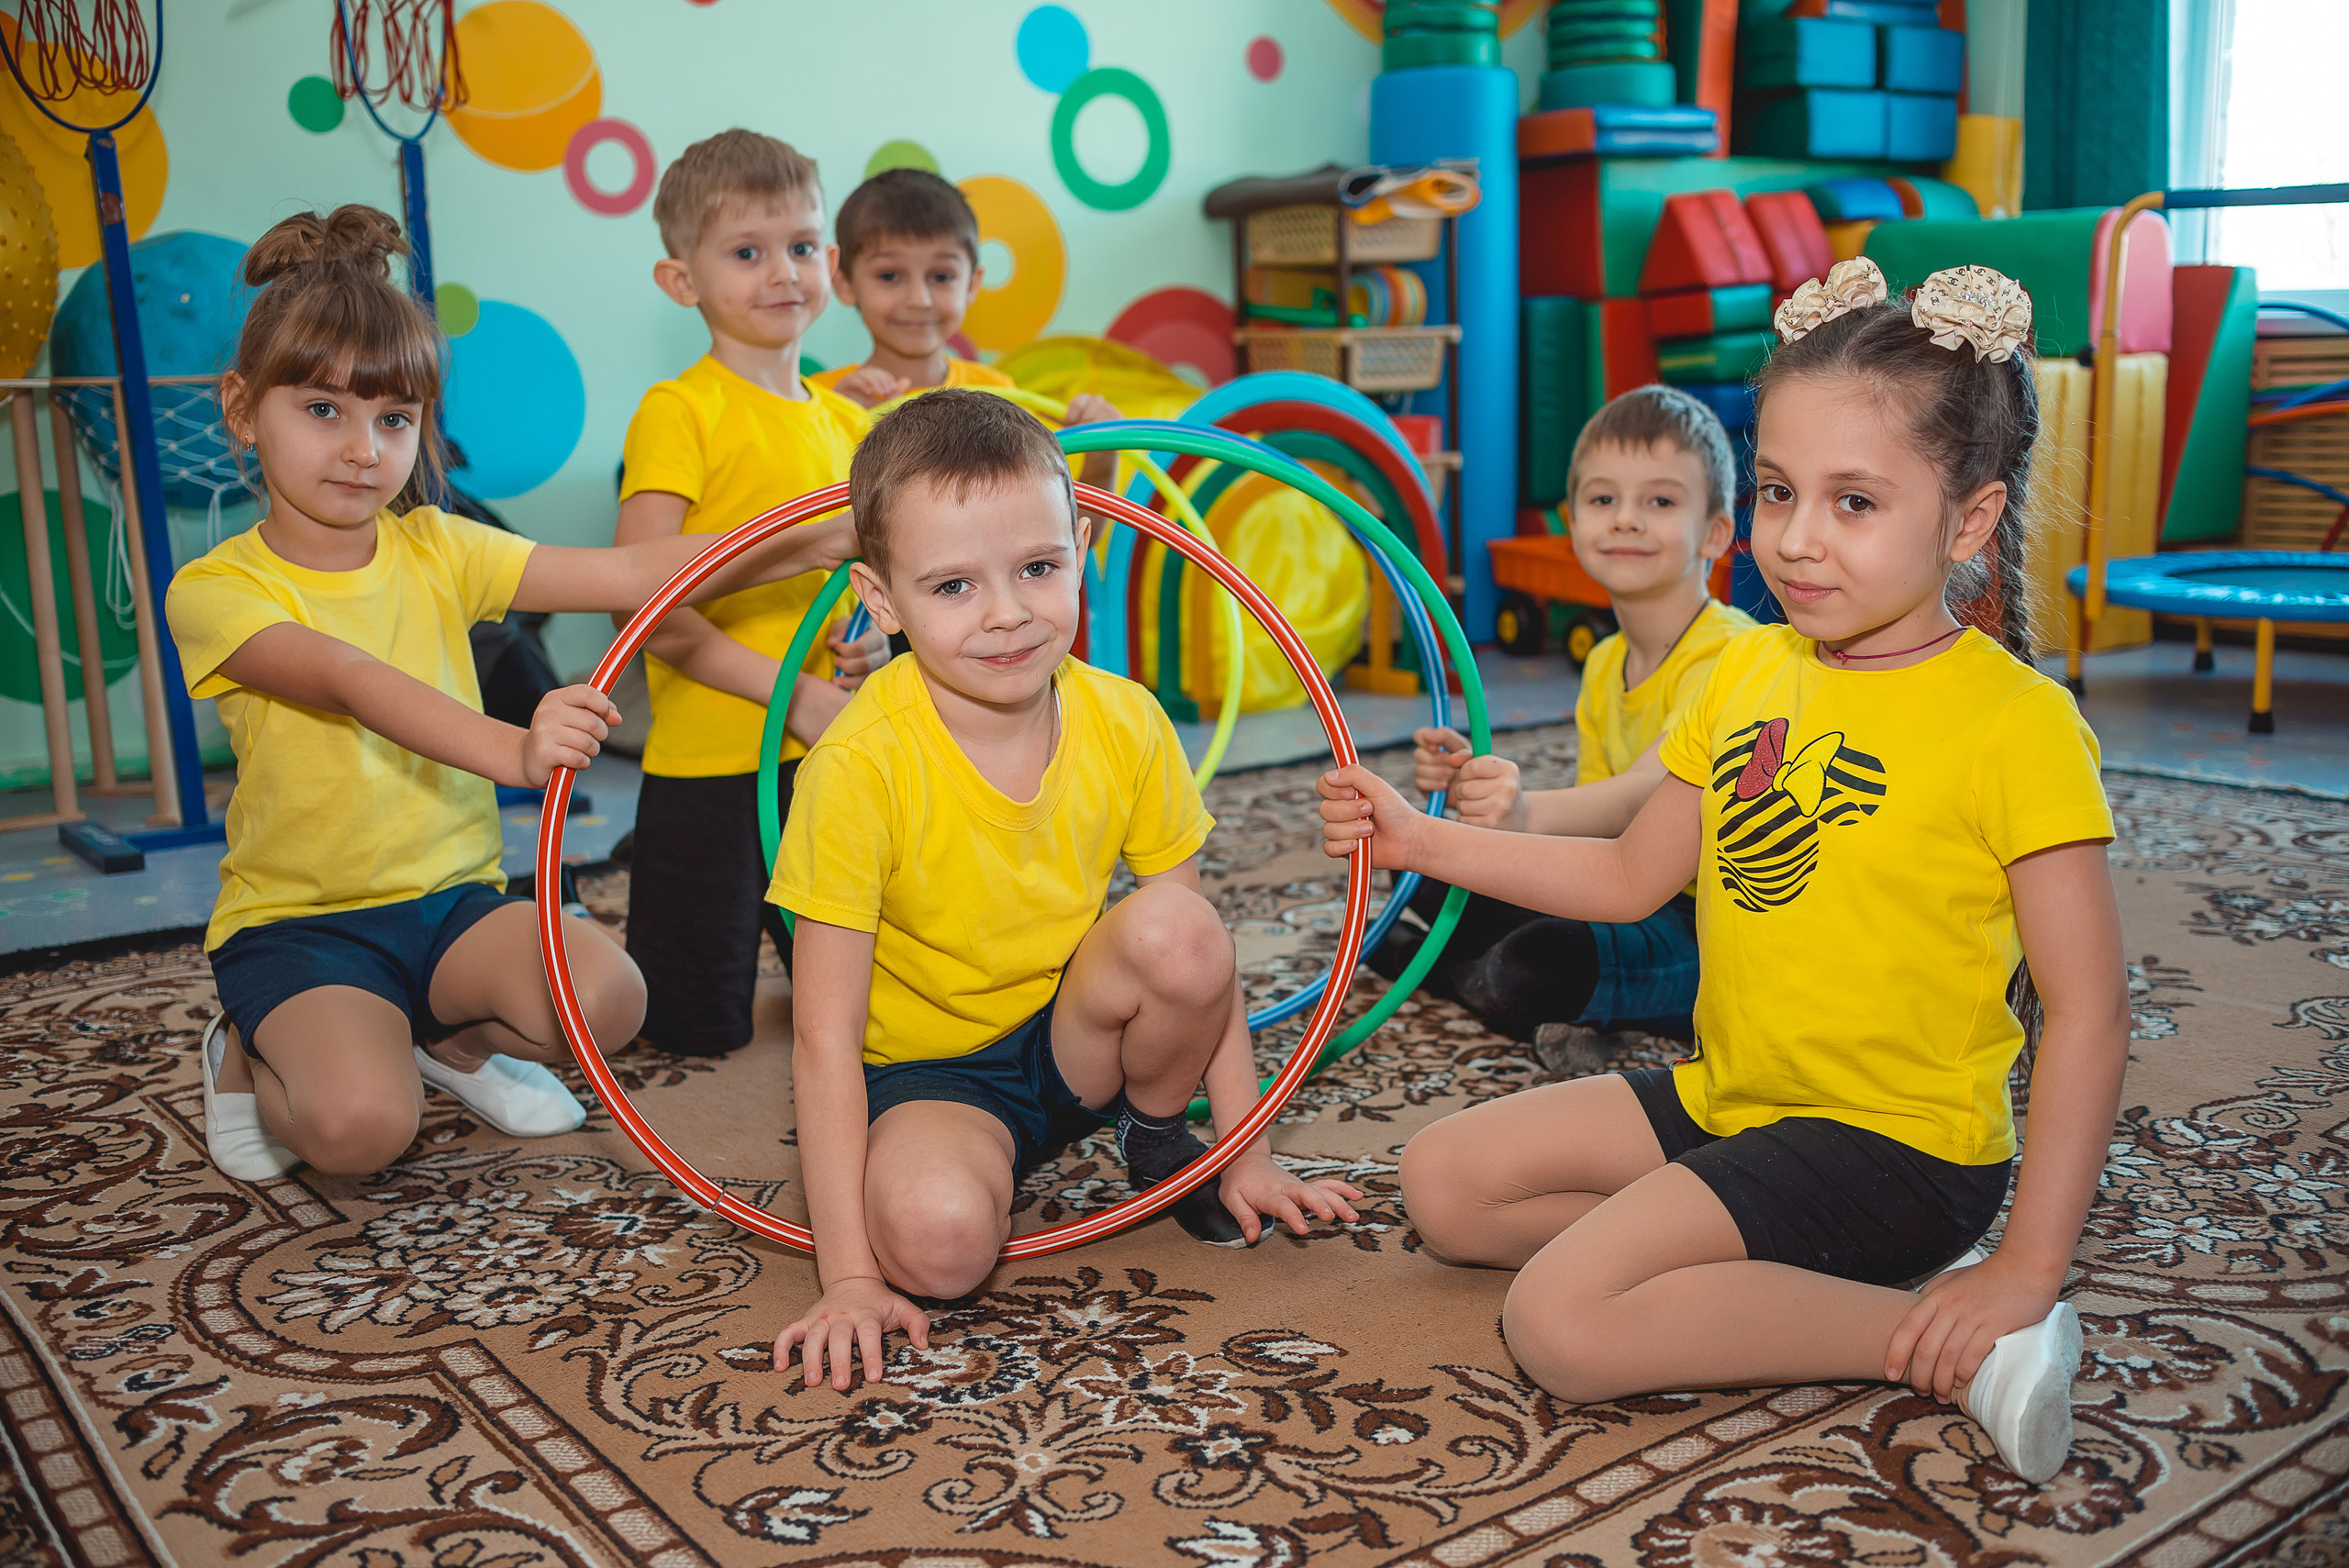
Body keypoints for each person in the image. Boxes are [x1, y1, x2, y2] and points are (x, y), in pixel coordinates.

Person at [1316, 261, 2126, 1485]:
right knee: (1443, 1186)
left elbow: (2089, 1010)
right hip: (1736, 1095)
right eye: (1783, 490)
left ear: (1966, 520)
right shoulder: (1747, 676)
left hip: (1896, 1149)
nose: (1794, 540)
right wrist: (1418, 840)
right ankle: (1749, 1273)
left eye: (1854, 503)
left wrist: (2029, 1262)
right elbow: (1634, 876)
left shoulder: (2016, 725)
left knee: (1561, 1322)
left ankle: (1964, 1341)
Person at [176, 205, 857, 1182]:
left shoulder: (438, 545)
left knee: (613, 999)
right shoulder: (215, 589)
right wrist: (513, 750)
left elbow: (633, 573)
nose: (364, 448)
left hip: (450, 904)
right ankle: (242, 1051)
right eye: (322, 410)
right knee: (364, 1130)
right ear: (244, 409)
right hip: (304, 924)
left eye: (394, 418)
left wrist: (819, 534)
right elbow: (350, 679)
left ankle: (444, 1044)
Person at [771, 390, 1362, 1389]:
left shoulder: (1127, 719)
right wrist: (850, 1276)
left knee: (1176, 929)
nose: (1007, 612)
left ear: (1082, 545)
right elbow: (822, 1038)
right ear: (879, 600)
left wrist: (1246, 1151)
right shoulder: (856, 766)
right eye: (953, 586)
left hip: (1073, 1037)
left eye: (1038, 568)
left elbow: (1200, 956)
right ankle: (916, 1177)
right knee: (943, 1247)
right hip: (929, 1078)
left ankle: (1155, 1129)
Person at [615, 129, 891, 1058]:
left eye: (803, 247)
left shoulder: (848, 422)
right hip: (710, 766)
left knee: (870, 1009)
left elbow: (861, 579)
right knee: (689, 1027)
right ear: (680, 281)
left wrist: (871, 638)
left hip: (824, 752)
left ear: (833, 263)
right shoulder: (680, 409)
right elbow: (641, 602)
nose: (783, 273)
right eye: (747, 252)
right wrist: (797, 693)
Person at [1378, 385, 1753, 1064]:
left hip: (1711, 932)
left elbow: (1644, 794)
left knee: (1536, 963)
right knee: (1436, 878)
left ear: (1717, 531)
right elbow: (1595, 838)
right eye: (1603, 499)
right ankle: (1501, 978)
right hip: (1627, 895)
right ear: (1571, 520)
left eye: (1661, 501)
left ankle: (1441, 967)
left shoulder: (1734, 655)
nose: (1627, 520)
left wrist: (1523, 813)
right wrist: (1472, 787)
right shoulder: (1606, 660)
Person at [808, 166, 1122, 494]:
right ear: (844, 283)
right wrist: (836, 423)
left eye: (941, 276)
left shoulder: (998, 397)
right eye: (889, 276)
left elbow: (1060, 538)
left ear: (972, 284)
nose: (920, 300)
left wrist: (1101, 462)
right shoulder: (820, 401)